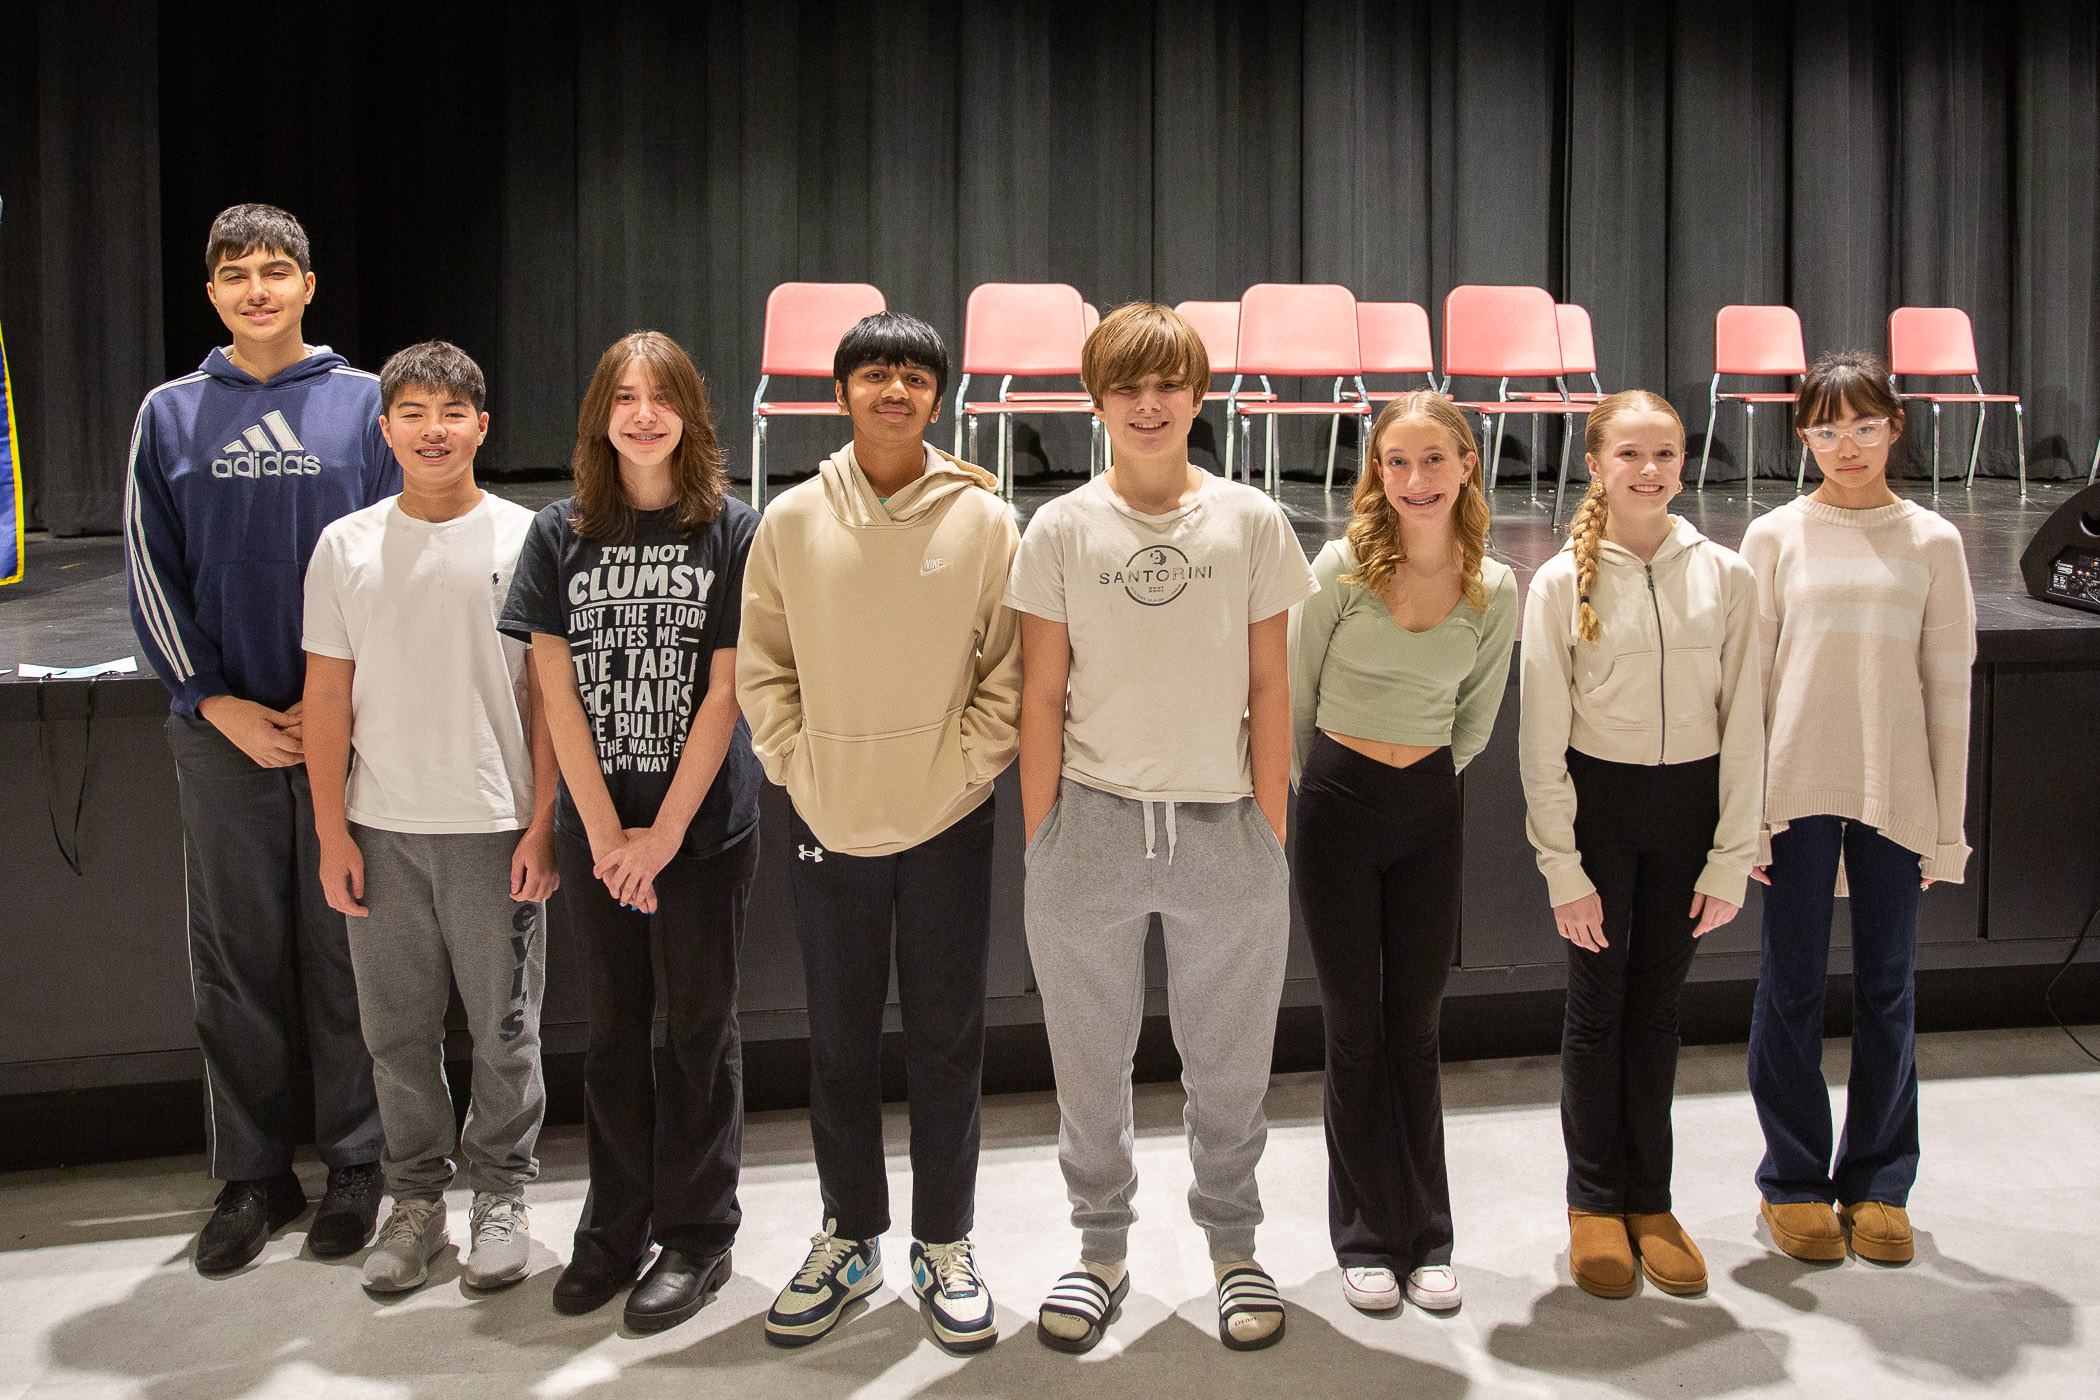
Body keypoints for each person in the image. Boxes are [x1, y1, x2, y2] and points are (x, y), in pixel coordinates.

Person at [1007, 302, 1315, 1355]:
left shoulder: (1251, 520)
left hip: (1227, 827)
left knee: (1229, 1062)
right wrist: (1046, 833)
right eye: (1126, 387)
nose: (1148, 404)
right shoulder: (1059, 528)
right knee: (1086, 1061)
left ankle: (1235, 1243)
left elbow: (1272, 683)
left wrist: (1269, 828)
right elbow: (1038, 693)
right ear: (1097, 402)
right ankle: (1099, 1245)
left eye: (1167, 384)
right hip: (1088, 826)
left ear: (1197, 395)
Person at [738, 313, 1021, 1351]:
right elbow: (761, 663)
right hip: (829, 815)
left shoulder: (988, 521)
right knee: (840, 1047)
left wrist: (961, 769)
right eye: (872, 375)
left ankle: (945, 1241)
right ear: (841, 394)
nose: (892, 390)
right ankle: (850, 1234)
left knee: (948, 1042)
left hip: (949, 819)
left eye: (910, 376)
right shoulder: (792, 519)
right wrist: (799, 767)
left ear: (936, 398)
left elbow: (1011, 666)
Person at [124, 203, 395, 1275]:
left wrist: (350, 702)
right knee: (234, 958)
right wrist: (212, 696)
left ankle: (361, 1164)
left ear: (309, 286)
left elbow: (395, 555)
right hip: (225, 728)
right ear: (212, 294)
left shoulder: (368, 403)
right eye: (235, 273)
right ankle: (251, 1173)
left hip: (353, 725)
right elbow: (149, 567)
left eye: (275, 270)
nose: (256, 288)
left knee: (349, 949)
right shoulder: (170, 413)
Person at [498, 331, 761, 1331]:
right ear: (600, 416)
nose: (643, 414)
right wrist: (606, 833)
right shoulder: (557, 532)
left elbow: (727, 693)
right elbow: (552, 686)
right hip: (599, 829)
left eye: (663, 397)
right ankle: (613, 1225)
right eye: (625, 397)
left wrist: (661, 836)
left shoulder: (734, 531)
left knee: (698, 1031)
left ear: (693, 413)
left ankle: (698, 1232)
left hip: (702, 830)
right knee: (611, 1034)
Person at [302, 341, 560, 1294]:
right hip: (383, 830)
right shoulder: (347, 545)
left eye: (453, 412)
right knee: (396, 1034)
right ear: (386, 431)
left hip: (498, 828)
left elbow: (549, 702)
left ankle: (502, 1193)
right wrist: (333, 832)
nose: (433, 429)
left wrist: (546, 825)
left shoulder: (531, 537)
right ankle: (415, 1203)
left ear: (482, 427)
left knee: (505, 1031)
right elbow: (327, 698)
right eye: (412, 413)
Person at [1519, 390, 1762, 1299]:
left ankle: (1650, 1201)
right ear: (1596, 465)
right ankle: (1593, 1204)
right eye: (1630, 453)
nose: (1650, 469)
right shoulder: (1558, 583)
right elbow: (1540, 742)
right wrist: (1562, 867)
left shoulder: (1727, 575)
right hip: (1601, 817)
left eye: (1666, 452)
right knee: (1597, 1012)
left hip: (1689, 814)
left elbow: (1746, 729)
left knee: (1657, 1015)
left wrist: (1732, 852)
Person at [1741, 352, 1975, 1267]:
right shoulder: (1773, 537)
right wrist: (1746, 817)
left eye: (1865, 426)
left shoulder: (1932, 542)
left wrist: (1946, 827)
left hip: (1896, 795)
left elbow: (1946, 689)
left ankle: (1880, 1180)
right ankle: (1793, 1179)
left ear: (1895, 428)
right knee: (1790, 986)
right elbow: (1752, 689)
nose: (1848, 446)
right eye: (1827, 429)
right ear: (1803, 436)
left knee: (1888, 989)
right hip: (1795, 791)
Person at [1288, 391, 1516, 1315]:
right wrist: (1335, 789)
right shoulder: (1341, 569)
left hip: (1429, 809)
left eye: (1433, 460)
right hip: (1337, 807)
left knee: (1415, 1026)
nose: (1415, 480)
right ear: (1376, 473)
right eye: (1396, 462)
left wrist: (1420, 787)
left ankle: (1430, 1236)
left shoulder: (1493, 587)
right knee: (1354, 1026)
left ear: (1466, 464)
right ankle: (1365, 1237)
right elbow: (1295, 701)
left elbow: (1476, 721)